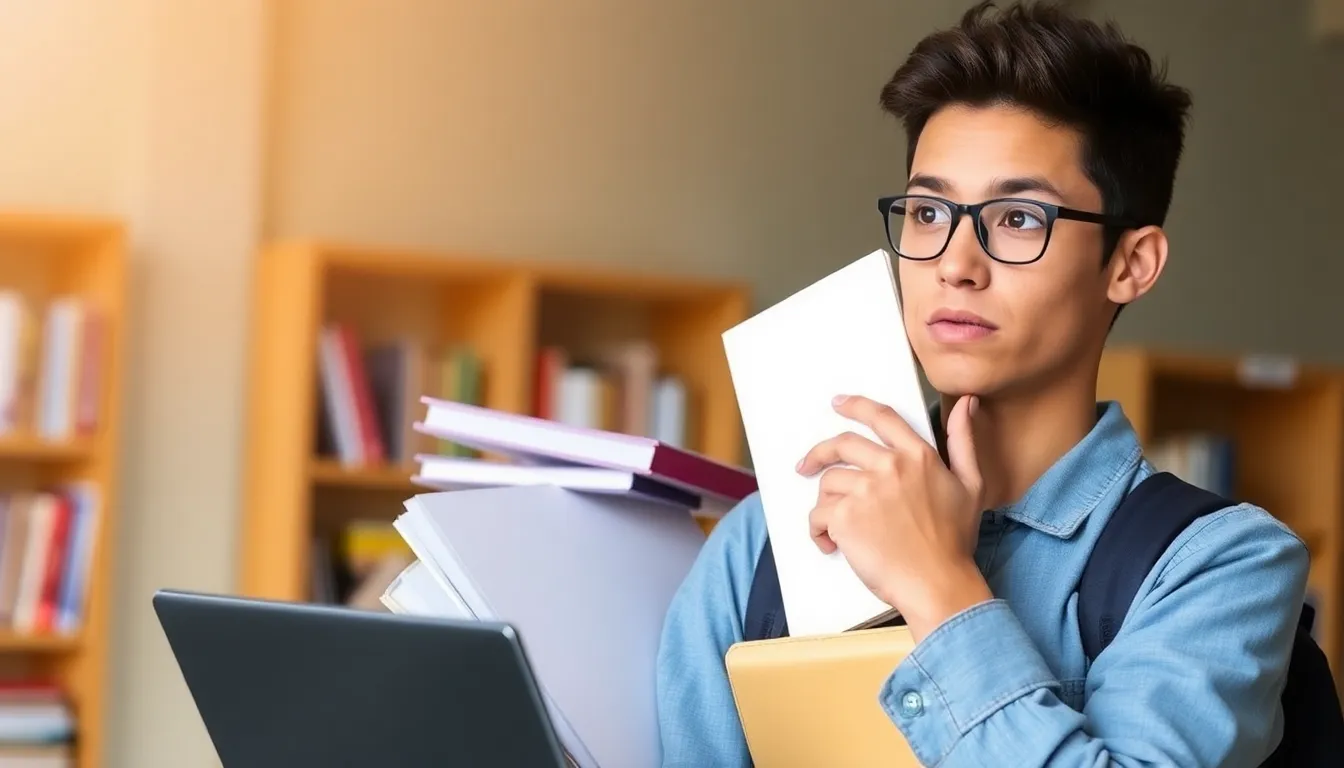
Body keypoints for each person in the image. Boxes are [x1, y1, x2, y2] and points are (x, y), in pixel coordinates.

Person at [654, 2, 1310, 766]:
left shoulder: (1219, 565)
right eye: (929, 211)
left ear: (1131, 264)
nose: (954, 263)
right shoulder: (763, 541)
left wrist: (937, 584)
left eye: (1019, 218)